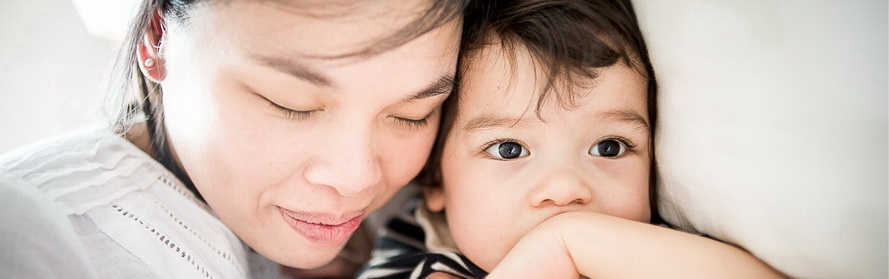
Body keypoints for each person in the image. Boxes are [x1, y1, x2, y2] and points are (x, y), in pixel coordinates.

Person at [0, 0, 466, 278]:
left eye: (412, 115)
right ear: (156, 36)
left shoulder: (430, 197)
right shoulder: (48, 245)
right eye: (292, 104)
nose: (357, 179)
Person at [359, 0, 788, 278]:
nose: (566, 188)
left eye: (609, 147)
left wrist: (569, 243)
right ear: (436, 181)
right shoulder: (420, 261)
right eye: (510, 149)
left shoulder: (653, 245)